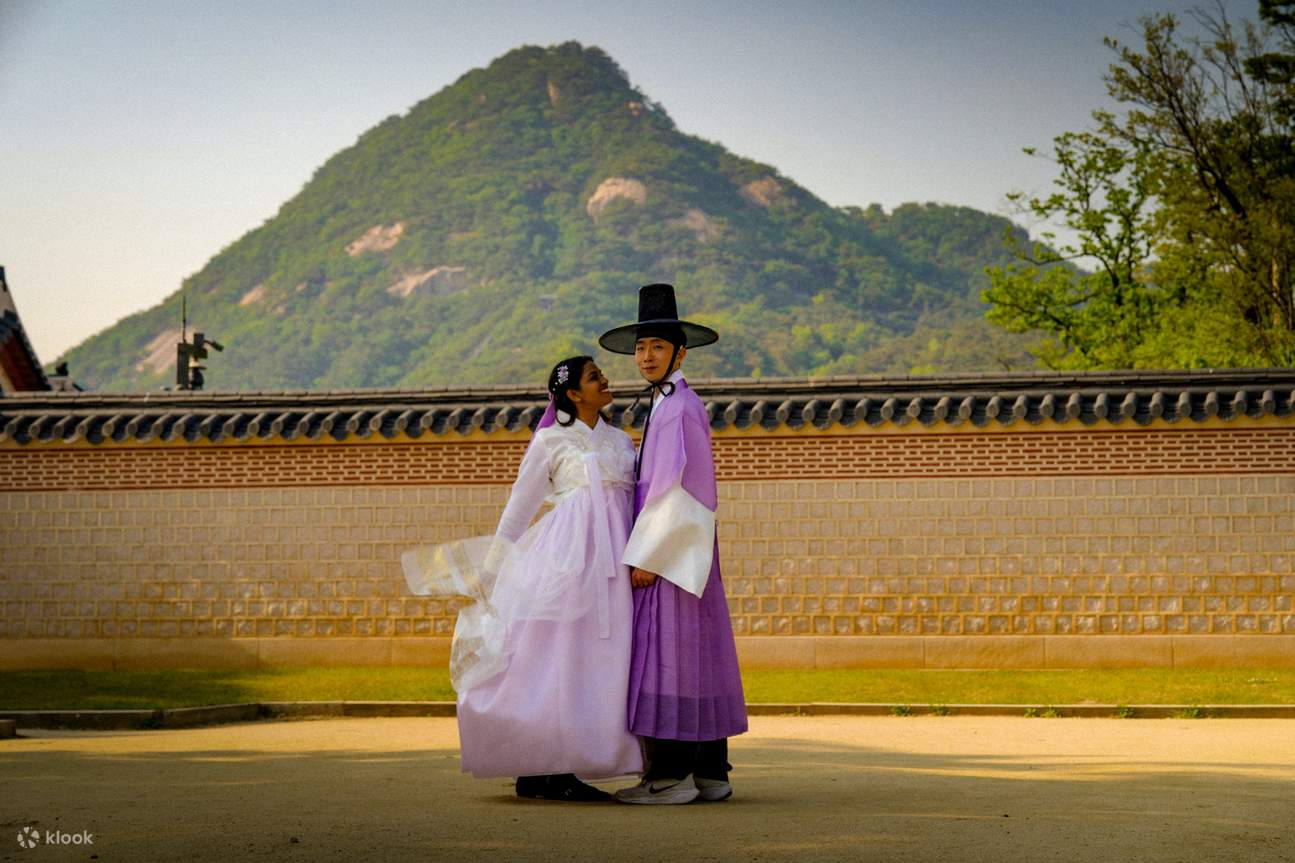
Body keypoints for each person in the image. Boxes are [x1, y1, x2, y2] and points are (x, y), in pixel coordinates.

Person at [400, 356, 642, 801]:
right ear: (573, 394)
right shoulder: (550, 441)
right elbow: (519, 508)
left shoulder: (622, 442)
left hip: (614, 564)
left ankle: (563, 761)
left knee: (598, 660)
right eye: (594, 377)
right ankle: (549, 765)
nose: (605, 380)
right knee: (556, 659)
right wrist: (492, 571)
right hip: (566, 560)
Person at [598, 283, 748, 805]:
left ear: (679, 353)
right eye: (641, 348)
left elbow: (679, 491)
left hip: (671, 556)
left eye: (657, 347)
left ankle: (670, 776)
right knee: (697, 656)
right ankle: (711, 774)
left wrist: (649, 556)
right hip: (683, 554)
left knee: (669, 658)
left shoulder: (679, 408)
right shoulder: (667, 405)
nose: (646, 356)